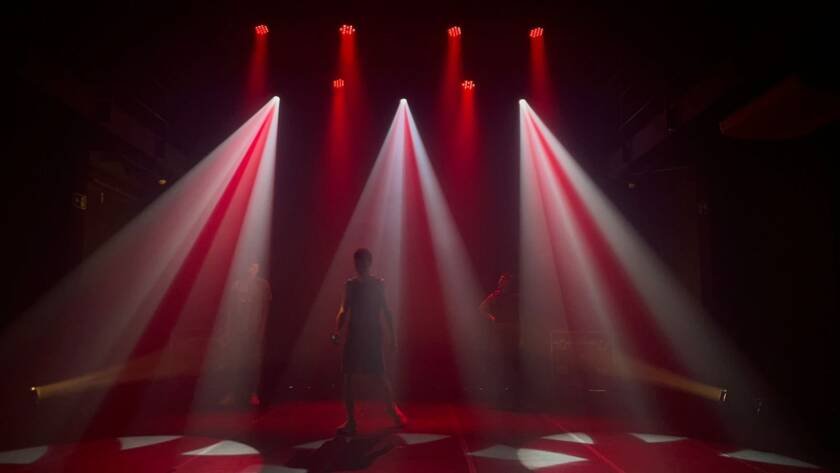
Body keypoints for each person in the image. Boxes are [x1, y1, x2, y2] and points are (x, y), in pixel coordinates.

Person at [331, 248, 407, 435]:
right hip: (355, 335)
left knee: (380, 376)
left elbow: (386, 310)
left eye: (362, 262)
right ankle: (351, 421)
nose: (359, 265)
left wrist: (393, 337)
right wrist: (337, 331)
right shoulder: (350, 285)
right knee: (348, 378)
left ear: (369, 263)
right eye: (357, 262)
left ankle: (394, 415)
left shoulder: (377, 284)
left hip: (372, 336)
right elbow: (343, 310)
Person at [221, 262, 272, 406]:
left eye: (254, 266)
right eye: (249, 266)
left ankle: (253, 394)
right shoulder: (237, 285)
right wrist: (228, 332)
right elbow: (230, 311)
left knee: (253, 363)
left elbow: (265, 310)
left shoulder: (263, 285)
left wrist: (261, 331)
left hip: (254, 332)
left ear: (258, 268)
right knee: (235, 363)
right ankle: (232, 393)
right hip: (238, 332)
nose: (251, 269)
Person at [479, 272, 521, 408]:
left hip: (511, 330)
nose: (501, 282)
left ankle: (512, 392)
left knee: (511, 360)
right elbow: (482, 308)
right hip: (500, 330)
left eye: (503, 280)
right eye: (500, 280)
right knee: (499, 359)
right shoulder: (495, 295)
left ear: (508, 282)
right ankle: (498, 392)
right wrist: (491, 317)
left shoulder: (514, 296)